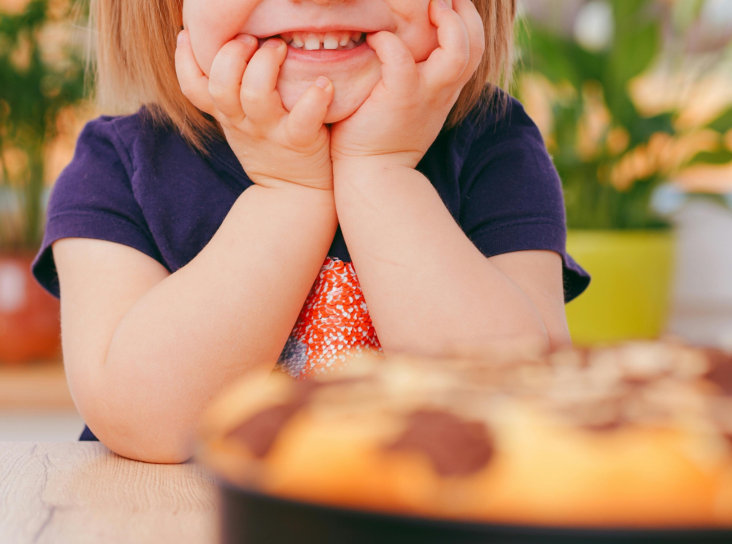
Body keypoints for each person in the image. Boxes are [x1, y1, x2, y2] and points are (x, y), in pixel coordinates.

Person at [32, 0, 589, 464]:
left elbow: (518, 408)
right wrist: (288, 194)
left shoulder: (496, 146)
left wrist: (380, 171)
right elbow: (141, 421)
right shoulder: (116, 167)